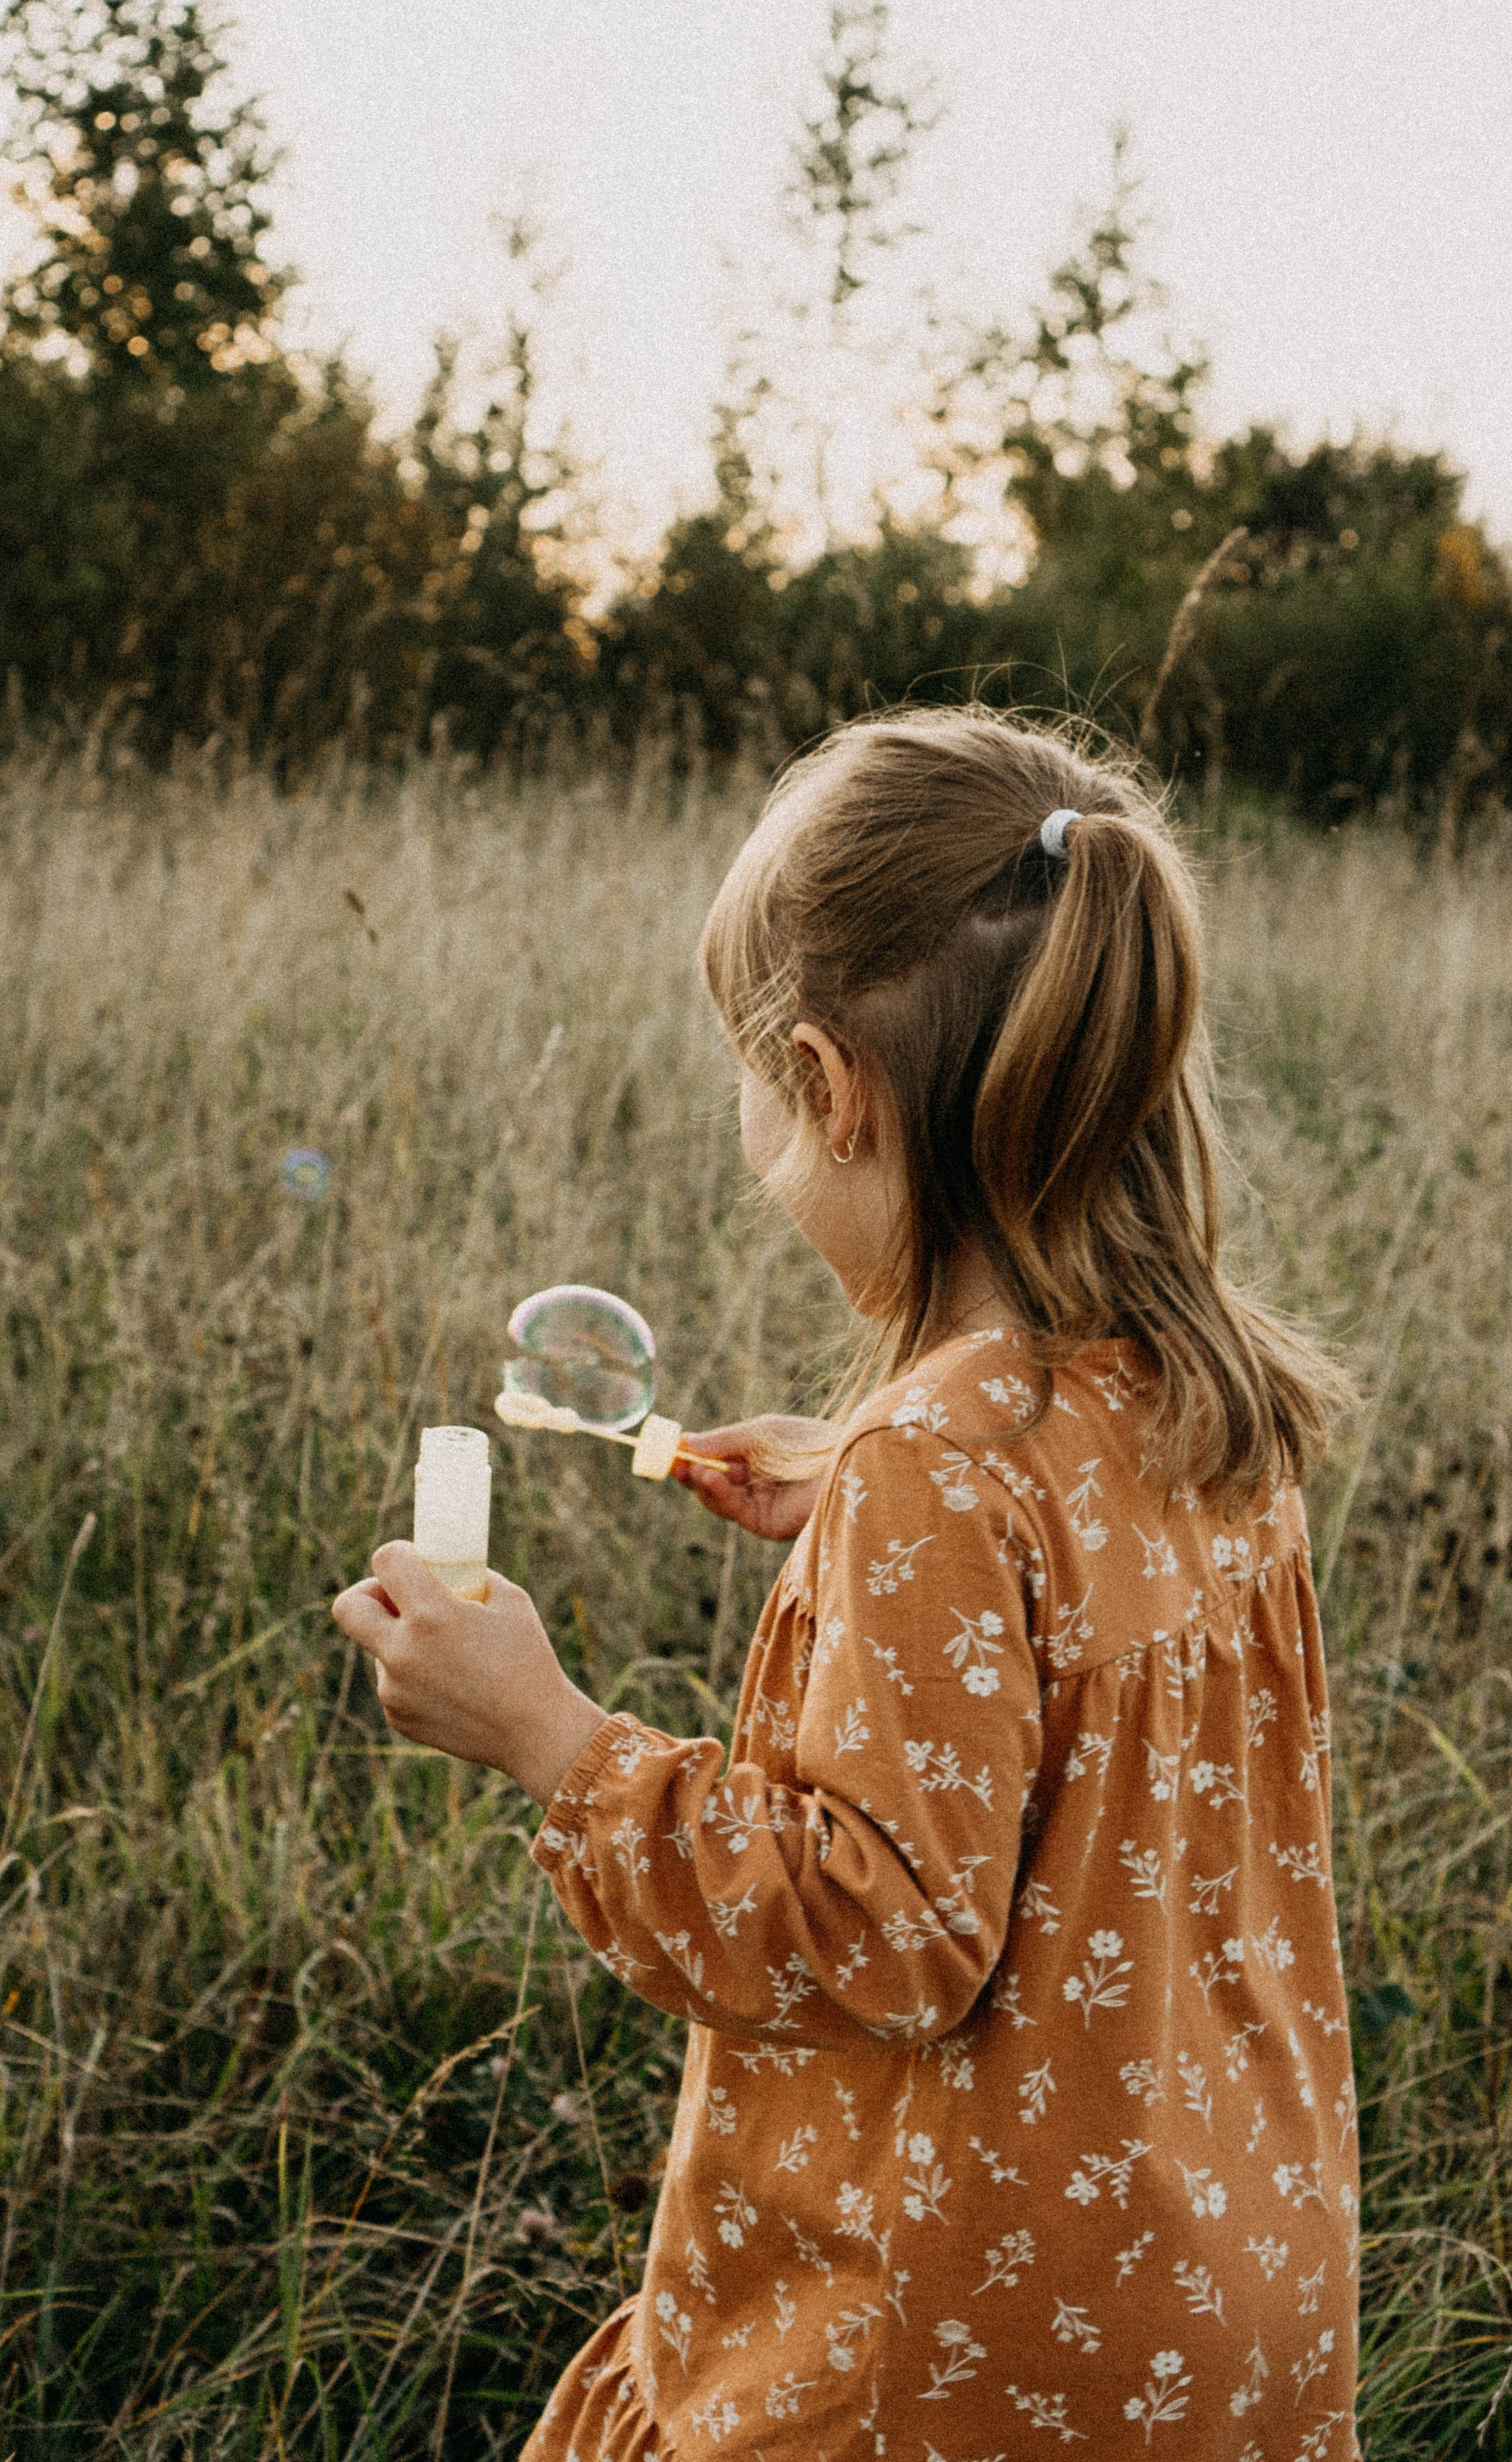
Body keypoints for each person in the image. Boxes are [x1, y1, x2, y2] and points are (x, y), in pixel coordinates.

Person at [333, 708, 1362, 2461]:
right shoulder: (1203, 1394)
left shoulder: (944, 1468)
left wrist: (552, 1743)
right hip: (1214, 2294)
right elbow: (1082, 1676)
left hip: (947, 2353)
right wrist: (865, 1486)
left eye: (756, 1085)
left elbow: (876, 1930)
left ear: (832, 1084)